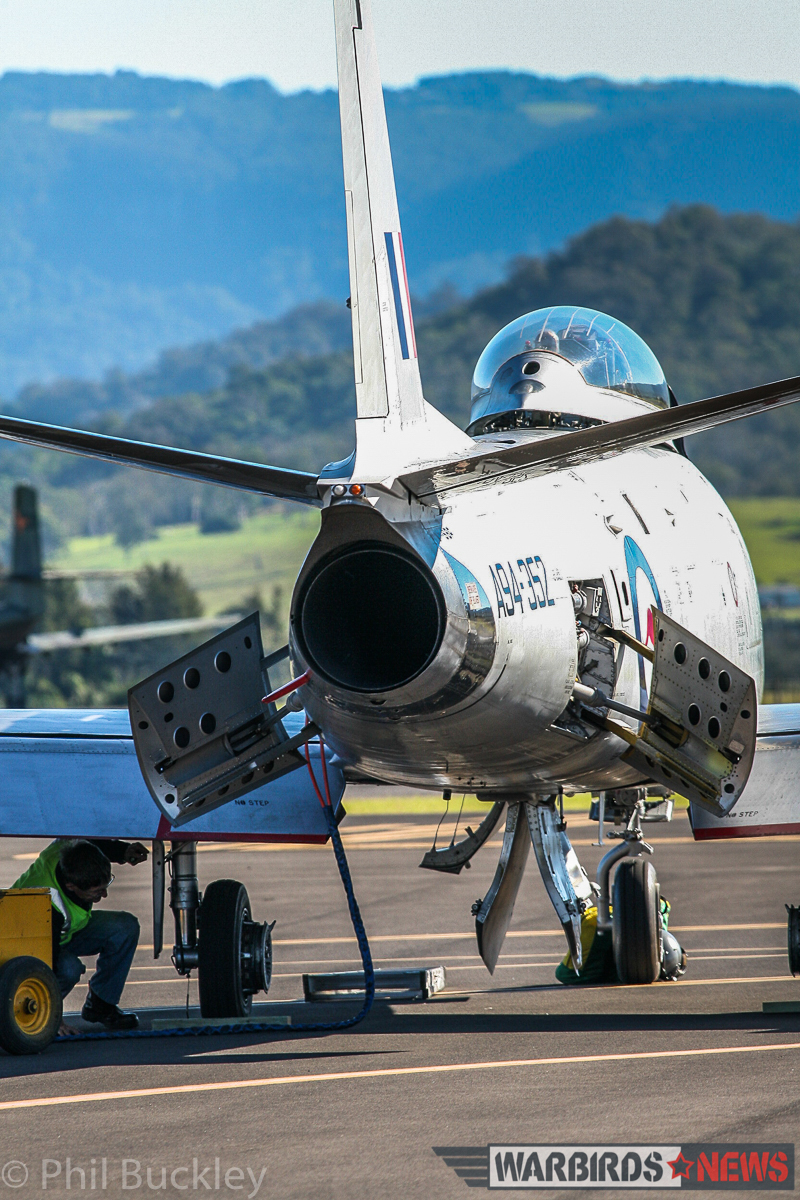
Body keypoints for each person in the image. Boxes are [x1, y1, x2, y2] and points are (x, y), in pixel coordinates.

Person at [11, 838, 148, 1032]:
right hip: (31, 944)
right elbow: (46, 964)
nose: (104, 896)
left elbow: (90, 845)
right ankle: (33, 1015)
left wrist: (122, 851)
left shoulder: (66, 849)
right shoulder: (46, 906)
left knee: (125, 926)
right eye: (97, 892)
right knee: (69, 969)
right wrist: (55, 1018)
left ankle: (101, 1006)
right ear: (71, 886)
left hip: (66, 932)